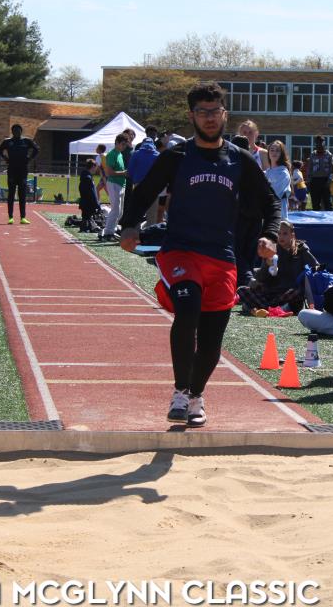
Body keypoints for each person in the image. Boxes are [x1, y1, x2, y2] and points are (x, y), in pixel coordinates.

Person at [119, 82, 280, 427]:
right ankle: (180, 392)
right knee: (188, 309)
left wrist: (269, 235)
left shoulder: (239, 159)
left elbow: (271, 202)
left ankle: (196, 395)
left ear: (225, 115)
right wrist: (129, 225)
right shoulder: (176, 157)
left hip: (221, 256)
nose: (209, 118)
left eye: (215, 111)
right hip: (181, 251)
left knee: (211, 338)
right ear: (192, 115)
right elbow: (143, 192)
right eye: (202, 112)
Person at [236, 221, 317, 314]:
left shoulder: (301, 250)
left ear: (292, 235)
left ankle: (257, 307)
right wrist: (267, 266)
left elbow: (315, 267)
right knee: (242, 290)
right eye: (278, 233)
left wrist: (304, 277)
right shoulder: (271, 250)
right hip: (272, 293)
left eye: (285, 233)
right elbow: (261, 278)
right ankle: (276, 308)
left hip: (289, 292)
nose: (281, 237)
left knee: (299, 292)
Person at [0, 124, 40, 224]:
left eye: (18, 130)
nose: (16, 132)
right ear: (12, 132)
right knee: (11, 194)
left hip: (23, 171)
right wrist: (5, 158)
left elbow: (36, 149)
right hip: (12, 170)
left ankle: (23, 217)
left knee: (22, 195)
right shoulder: (8, 141)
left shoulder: (26, 141)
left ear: (21, 131)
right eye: (14, 130)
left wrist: (30, 158)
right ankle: (10, 217)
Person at [99, 133, 129, 240]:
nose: (124, 146)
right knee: (115, 209)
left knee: (120, 211)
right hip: (114, 184)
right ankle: (108, 232)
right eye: (123, 144)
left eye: (125, 144)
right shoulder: (112, 154)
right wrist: (124, 173)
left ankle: (113, 230)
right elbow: (109, 172)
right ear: (116, 143)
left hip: (121, 184)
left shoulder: (120, 154)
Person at [127, 134, 160, 227]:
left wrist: (133, 180)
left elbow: (130, 171)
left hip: (138, 185)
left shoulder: (136, 154)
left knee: (137, 210)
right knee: (152, 212)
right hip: (153, 186)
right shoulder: (157, 155)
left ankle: (136, 231)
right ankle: (150, 231)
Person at [265, 140, 292, 220]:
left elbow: (274, 194)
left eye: (277, 151)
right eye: (272, 150)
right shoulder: (267, 172)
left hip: (279, 216)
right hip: (266, 214)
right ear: (268, 153)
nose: (274, 153)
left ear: (281, 154)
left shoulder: (283, 173)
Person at [307, 135, 333, 210]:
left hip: (325, 181)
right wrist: (309, 181)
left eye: (321, 143)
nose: (319, 145)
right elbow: (310, 168)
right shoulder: (312, 154)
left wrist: (329, 181)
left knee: (327, 203)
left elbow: (332, 170)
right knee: (315, 203)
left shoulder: (329, 155)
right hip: (314, 181)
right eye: (317, 143)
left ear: (324, 143)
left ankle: (329, 217)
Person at [78, 159, 102, 232]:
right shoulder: (87, 178)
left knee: (86, 219)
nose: (96, 169)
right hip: (88, 203)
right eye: (95, 167)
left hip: (85, 202)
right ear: (92, 167)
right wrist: (97, 204)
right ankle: (85, 227)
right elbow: (92, 193)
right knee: (87, 219)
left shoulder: (86, 176)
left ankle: (85, 227)